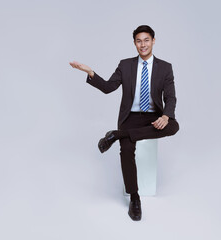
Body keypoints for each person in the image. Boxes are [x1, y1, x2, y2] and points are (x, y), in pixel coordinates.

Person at [69, 25, 179, 221]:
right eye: (139, 41)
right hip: (131, 117)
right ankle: (134, 198)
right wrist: (90, 71)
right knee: (126, 149)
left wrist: (165, 116)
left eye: (146, 40)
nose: (142, 44)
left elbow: (170, 97)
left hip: (154, 115)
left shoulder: (165, 67)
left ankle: (117, 134)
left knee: (173, 125)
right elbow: (108, 87)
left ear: (153, 41)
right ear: (134, 43)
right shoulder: (126, 65)